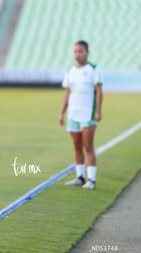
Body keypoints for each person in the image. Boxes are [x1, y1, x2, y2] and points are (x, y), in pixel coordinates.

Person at [59, 40, 103, 190]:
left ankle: (91, 179)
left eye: (80, 51)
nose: (77, 54)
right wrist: (62, 113)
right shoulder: (70, 70)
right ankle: (79, 176)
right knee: (77, 146)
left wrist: (98, 111)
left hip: (87, 114)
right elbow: (67, 93)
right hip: (73, 114)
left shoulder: (93, 69)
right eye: (75, 51)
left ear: (87, 52)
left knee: (88, 147)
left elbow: (99, 91)